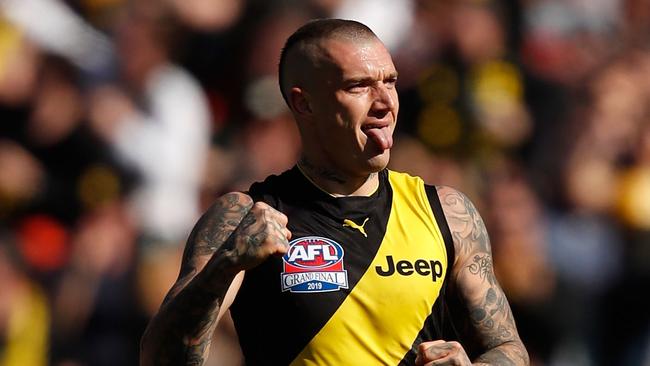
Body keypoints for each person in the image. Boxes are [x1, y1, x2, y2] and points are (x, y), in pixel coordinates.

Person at [140, 19, 529, 366]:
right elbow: (160, 359)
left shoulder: (446, 211)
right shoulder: (248, 216)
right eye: (359, 85)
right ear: (303, 103)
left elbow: (508, 348)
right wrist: (225, 265)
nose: (385, 103)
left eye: (390, 81)